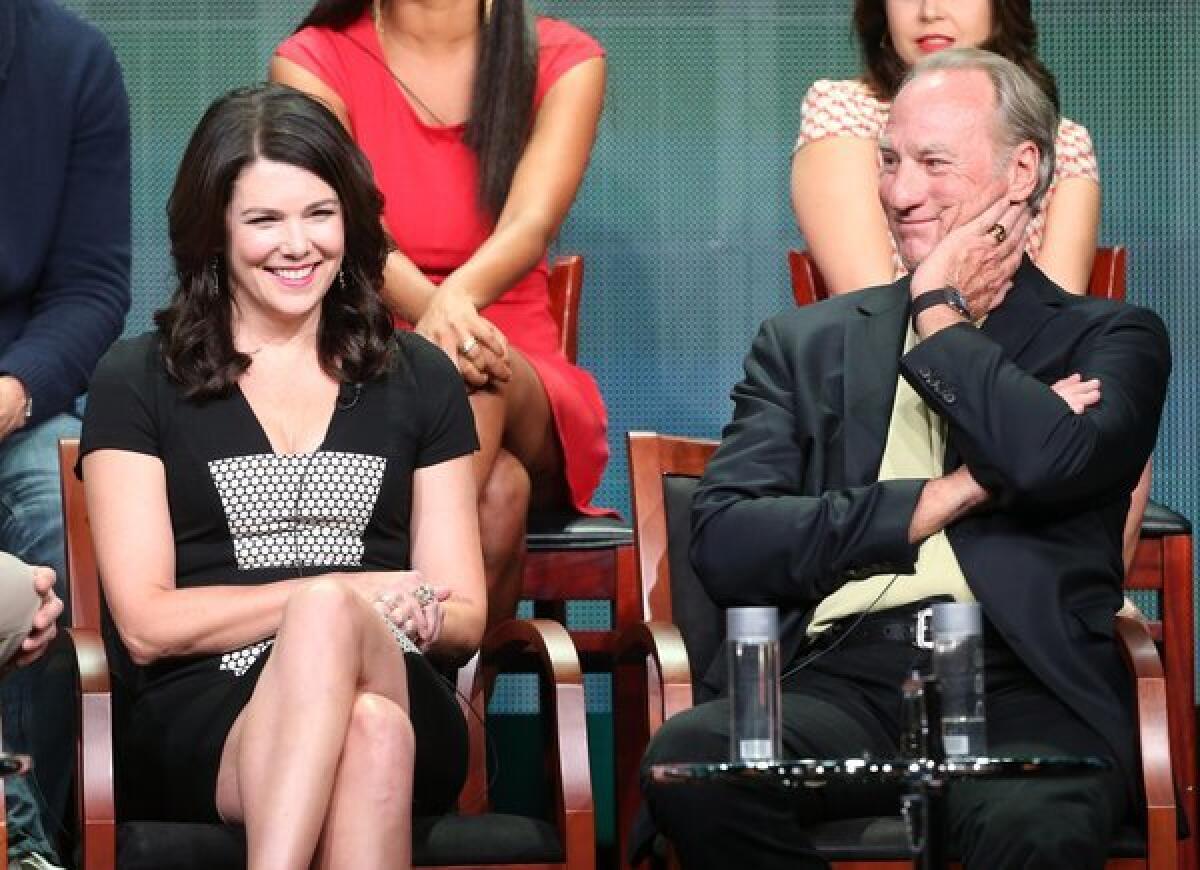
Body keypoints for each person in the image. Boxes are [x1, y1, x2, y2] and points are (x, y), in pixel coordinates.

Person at [640, 49, 1171, 869]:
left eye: (933, 163)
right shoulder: (807, 344)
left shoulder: (1111, 338)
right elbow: (726, 541)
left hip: (1023, 682)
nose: (898, 191)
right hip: (846, 673)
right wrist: (944, 495)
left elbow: (1051, 464)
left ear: (1022, 169)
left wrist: (936, 311)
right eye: (889, 160)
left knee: (1037, 829)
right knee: (695, 765)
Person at [79, 83, 486, 868]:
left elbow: (465, 612)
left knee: (349, 650)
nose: (296, 245)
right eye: (264, 220)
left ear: (352, 221)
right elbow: (145, 625)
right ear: (215, 231)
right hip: (210, 710)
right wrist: (340, 593)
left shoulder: (420, 376)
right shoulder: (137, 379)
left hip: (396, 672)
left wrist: (374, 612)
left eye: (319, 214)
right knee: (367, 728)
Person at [270, 0, 609, 632]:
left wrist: (447, 326)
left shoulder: (564, 57)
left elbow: (531, 225)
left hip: (516, 361)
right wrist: (439, 324)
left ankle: (360, 599)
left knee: (473, 377)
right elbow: (350, 230)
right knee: (499, 493)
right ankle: (451, 719)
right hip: (366, 351)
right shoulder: (312, 60)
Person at [792, 0, 1152, 583]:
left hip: (1013, 381)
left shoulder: (1064, 141)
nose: (929, 10)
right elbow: (878, 307)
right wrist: (943, 308)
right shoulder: (845, 112)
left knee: (1106, 408)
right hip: (897, 375)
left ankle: (1069, 614)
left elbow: (1053, 325)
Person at [1, 0, 131, 866]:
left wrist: (10, 394)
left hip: (17, 396)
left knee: (66, 509)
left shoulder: (72, 60)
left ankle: (29, 829)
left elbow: (91, 288)